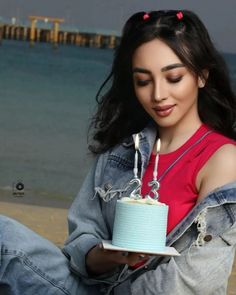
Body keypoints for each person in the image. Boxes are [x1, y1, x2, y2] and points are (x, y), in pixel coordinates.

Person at [0, 9, 236, 295]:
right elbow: (81, 237)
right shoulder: (122, 151)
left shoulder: (223, 159)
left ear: (201, 76)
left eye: (173, 78)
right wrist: (100, 256)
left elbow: (196, 280)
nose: (158, 94)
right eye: (143, 81)